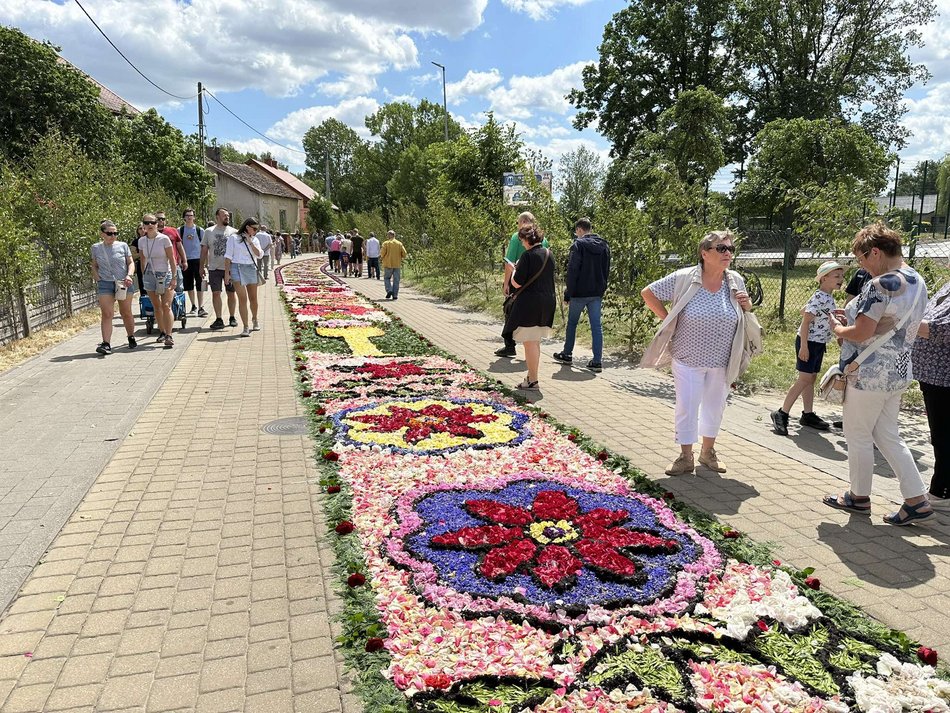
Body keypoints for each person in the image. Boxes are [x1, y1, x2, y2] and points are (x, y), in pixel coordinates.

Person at [823, 223, 931, 525]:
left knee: (857, 434)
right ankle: (916, 500)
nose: (861, 266)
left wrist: (838, 328)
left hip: (868, 373)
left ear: (875, 252)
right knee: (886, 434)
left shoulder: (881, 283)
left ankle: (858, 496)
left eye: (861, 259)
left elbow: (862, 332)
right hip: (898, 371)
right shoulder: (916, 280)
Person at [640, 230, 753, 476]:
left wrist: (747, 306)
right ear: (704, 253)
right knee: (687, 405)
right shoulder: (684, 277)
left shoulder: (734, 280)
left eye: (730, 249)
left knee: (715, 405)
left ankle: (708, 452)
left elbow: (743, 312)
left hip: (724, 358)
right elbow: (648, 293)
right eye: (721, 249)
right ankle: (685, 456)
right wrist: (668, 318)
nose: (728, 254)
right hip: (687, 355)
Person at [771, 261, 845, 435]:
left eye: (842, 276)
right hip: (809, 342)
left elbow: (804, 311)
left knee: (811, 378)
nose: (841, 279)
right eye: (836, 276)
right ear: (823, 278)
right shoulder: (820, 297)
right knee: (804, 379)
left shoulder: (826, 297)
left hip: (818, 343)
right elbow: (805, 322)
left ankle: (808, 414)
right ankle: (781, 413)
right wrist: (804, 346)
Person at [553, 217, 611, 373]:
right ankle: (597, 361)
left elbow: (572, 272)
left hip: (579, 293)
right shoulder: (605, 246)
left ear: (579, 230)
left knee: (572, 323)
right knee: (596, 326)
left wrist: (567, 294)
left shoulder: (578, 245)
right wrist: (602, 289)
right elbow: (607, 271)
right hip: (596, 293)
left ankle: (567, 353)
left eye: (576, 231)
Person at [913, 278, 950, 511]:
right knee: (940, 434)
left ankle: (942, 491)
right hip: (932, 376)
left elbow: (941, 329)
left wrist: (900, 319)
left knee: (944, 436)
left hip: (945, 377)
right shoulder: (946, 285)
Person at [504, 225, 555, 390]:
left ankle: (533, 380)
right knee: (535, 342)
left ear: (526, 240)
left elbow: (516, 283)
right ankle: (531, 377)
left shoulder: (527, 256)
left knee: (529, 343)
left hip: (530, 303)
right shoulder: (548, 254)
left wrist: (513, 270)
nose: (522, 244)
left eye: (522, 240)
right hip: (547, 302)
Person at [496, 212, 548, 358]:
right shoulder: (543, 239)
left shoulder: (515, 237)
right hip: (538, 286)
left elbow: (509, 262)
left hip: (519, 281)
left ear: (523, 222)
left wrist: (506, 284)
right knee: (533, 317)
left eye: (519, 223)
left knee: (509, 309)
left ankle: (509, 345)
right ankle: (533, 348)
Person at [91, 220, 137, 354]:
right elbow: (94, 264)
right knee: (107, 314)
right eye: (110, 233)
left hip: (123, 283)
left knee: (126, 312)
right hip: (105, 283)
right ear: (102, 234)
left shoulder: (123, 246)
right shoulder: (96, 248)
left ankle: (131, 336)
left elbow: (130, 262)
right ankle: (106, 343)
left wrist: (129, 275)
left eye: (115, 233)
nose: (113, 236)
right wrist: (96, 276)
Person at [138, 213, 178, 348]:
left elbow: (172, 259)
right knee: (157, 306)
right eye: (147, 223)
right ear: (143, 225)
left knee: (166, 305)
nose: (150, 225)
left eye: (153, 223)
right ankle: (162, 331)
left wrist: (174, 277)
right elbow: (143, 259)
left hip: (164, 274)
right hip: (149, 275)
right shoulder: (142, 241)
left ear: (157, 225)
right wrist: (143, 275)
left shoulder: (164, 239)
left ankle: (169, 335)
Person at [224, 217, 264, 337]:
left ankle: (255, 319)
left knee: (253, 298)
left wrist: (250, 241)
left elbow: (259, 255)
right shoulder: (233, 238)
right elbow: (228, 257)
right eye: (254, 228)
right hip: (237, 268)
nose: (256, 231)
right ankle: (245, 326)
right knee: (242, 298)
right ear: (247, 227)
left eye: (257, 229)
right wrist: (227, 273)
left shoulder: (255, 239)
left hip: (251, 267)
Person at [201, 208, 238, 330]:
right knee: (216, 293)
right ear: (217, 216)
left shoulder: (234, 232)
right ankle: (219, 319)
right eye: (224, 215)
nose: (227, 217)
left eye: (228, 215)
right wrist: (201, 267)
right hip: (214, 268)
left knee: (231, 293)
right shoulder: (209, 231)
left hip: (230, 268)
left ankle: (232, 317)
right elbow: (204, 250)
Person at [178, 207, 206, 317]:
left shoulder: (200, 230)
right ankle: (193, 305)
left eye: (191, 215)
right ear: (184, 217)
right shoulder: (180, 230)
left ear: (194, 217)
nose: (189, 217)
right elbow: (177, 246)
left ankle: (201, 307)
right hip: (186, 260)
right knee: (189, 285)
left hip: (198, 260)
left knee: (200, 283)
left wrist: (205, 264)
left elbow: (205, 247)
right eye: (187, 215)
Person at [156, 211, 186, 294]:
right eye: (158, 219)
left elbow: (179, 246)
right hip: (158, 267)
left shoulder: (173, 230)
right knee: (161, 291)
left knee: (179, 289)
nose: (161, 220)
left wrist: (184, 260)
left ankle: (179, 307)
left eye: (163, 219)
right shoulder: (151, 233)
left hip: (174, 265)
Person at [381, 230, 408, 299]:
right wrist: (400, 257)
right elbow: (404, 253)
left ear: (390, 235)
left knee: (387, 278)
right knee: (396, 280)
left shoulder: (386, 243)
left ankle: (389, 290)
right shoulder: (399, 243)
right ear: (394, 235)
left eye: (388, 235)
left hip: (388, 264)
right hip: (397, 264)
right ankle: (395, 295)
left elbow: (382, 253)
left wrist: (381, 258)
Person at [129, 222, 147, 294]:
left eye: (144, 228)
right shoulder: (135, 242)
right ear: (137, 231)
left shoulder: (152, 239)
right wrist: (142, 254)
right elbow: (132, 256)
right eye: (140, 228)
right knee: (143, 287)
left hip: (154, 264)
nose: (143, 230)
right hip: (141, 265)